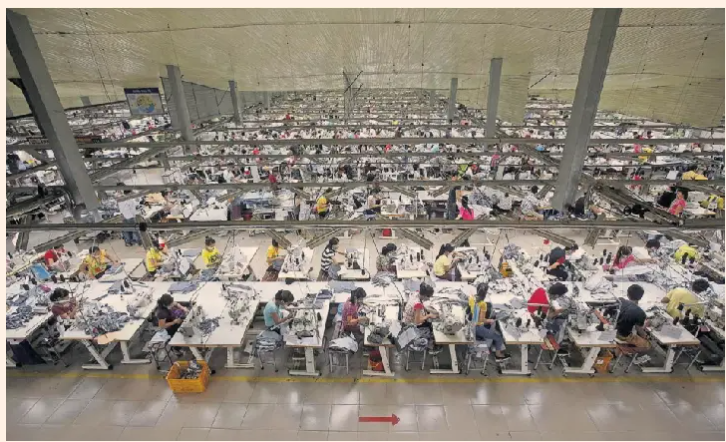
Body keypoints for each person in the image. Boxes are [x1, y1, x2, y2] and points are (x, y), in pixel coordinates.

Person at [466, 283, 510, 361]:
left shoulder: (472, 298)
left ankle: (494, 345)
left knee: (494, 326)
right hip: (478, 328)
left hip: (472, 324)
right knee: (499, 337)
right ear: (485, 293)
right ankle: (498, 355)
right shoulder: (483, 304)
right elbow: (482, 320)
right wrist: (490, 320)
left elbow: (468, 311)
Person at [611, 284, 650, 348]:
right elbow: (639, 330)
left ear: (627, 294)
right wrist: (646, 336)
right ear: (640, 297)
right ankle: (626, 350)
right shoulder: (640, 312)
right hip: (623, 337)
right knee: (647, 345)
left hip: (613, 330)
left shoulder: (620, 301)